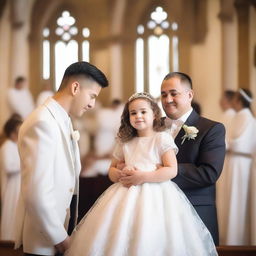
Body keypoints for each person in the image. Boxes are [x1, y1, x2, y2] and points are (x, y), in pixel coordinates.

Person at [65, 92, 217, 256]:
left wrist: (142, 176)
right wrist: (121, 173)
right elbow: (111, 170)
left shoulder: (161, 139)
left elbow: (171, 169)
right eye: (133, 113)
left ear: (154, 114)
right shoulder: (126, 142)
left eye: (143, 112)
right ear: (127, 117)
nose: (138, 116)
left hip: (158, 195)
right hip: (125, 195)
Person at [14, 61, 108, 256]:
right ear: (75, 88)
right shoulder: (43, 122)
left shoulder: (62, 119)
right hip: (45, 240)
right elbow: (36, 191)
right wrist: (61, 239)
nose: (92, 104)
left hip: (57, 230)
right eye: (92, 96)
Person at [160, 72, 226, 245]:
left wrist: (164, 170)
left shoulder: (211, 129)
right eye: (163, 94)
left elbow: (209, 173)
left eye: (174, 93)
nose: (168, 99)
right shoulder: (152, 126)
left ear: (189, 95)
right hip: (156, 210)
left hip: (194, 210)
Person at [220, 88, 256, 245]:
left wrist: (221, 143)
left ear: (239, 100)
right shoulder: (238, 116)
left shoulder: (248, 117)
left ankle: (238, 240)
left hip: (242, 164)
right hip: (233, 162)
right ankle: (230, 238)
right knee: (230, 200)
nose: (231, 102)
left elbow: (241, 143)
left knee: (238, 201)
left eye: (234, 98)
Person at [0, 114, 23, 240]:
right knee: (11, 213)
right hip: (11, 187)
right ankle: (7, 241)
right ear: (12, 132)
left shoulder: (16, 146)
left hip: (18, 185)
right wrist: (26, 163)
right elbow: (9, 167)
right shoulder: (7, 146)